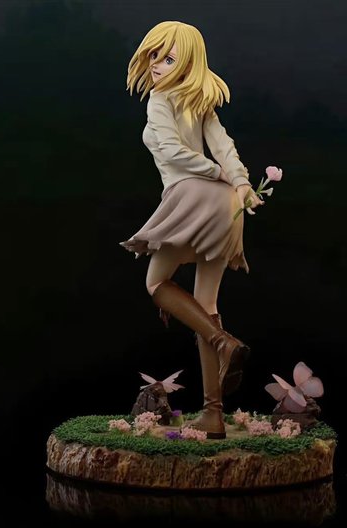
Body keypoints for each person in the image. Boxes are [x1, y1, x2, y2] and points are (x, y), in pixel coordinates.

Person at [120, 21, 262, 439]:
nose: (157, 65)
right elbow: (224, 145)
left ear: (189, 63)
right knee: (205, 305)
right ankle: (213, 415)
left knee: (156, 283)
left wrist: (222, 175)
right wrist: (239, 184)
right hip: (227, 204)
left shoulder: (162, 99)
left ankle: (222, 341)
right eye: (154, 55)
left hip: (193, 194)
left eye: (168, 58)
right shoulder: (199, 102)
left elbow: (171, 150)